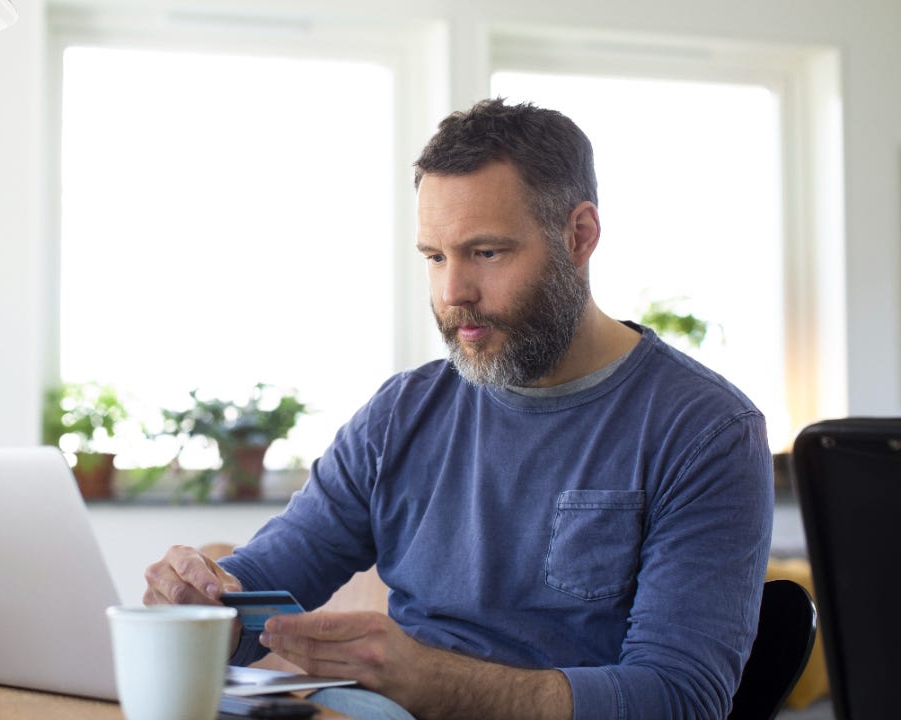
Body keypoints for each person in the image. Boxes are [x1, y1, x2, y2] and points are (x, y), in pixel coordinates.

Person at [143, 98, 773, 720]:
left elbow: (679, 699)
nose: (453, 294)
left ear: (579, 236)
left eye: (487, 253)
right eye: (435, 257)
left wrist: (431, 680)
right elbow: (271, 581)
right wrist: (202, 601)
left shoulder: (706, 431)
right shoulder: (400, 414)